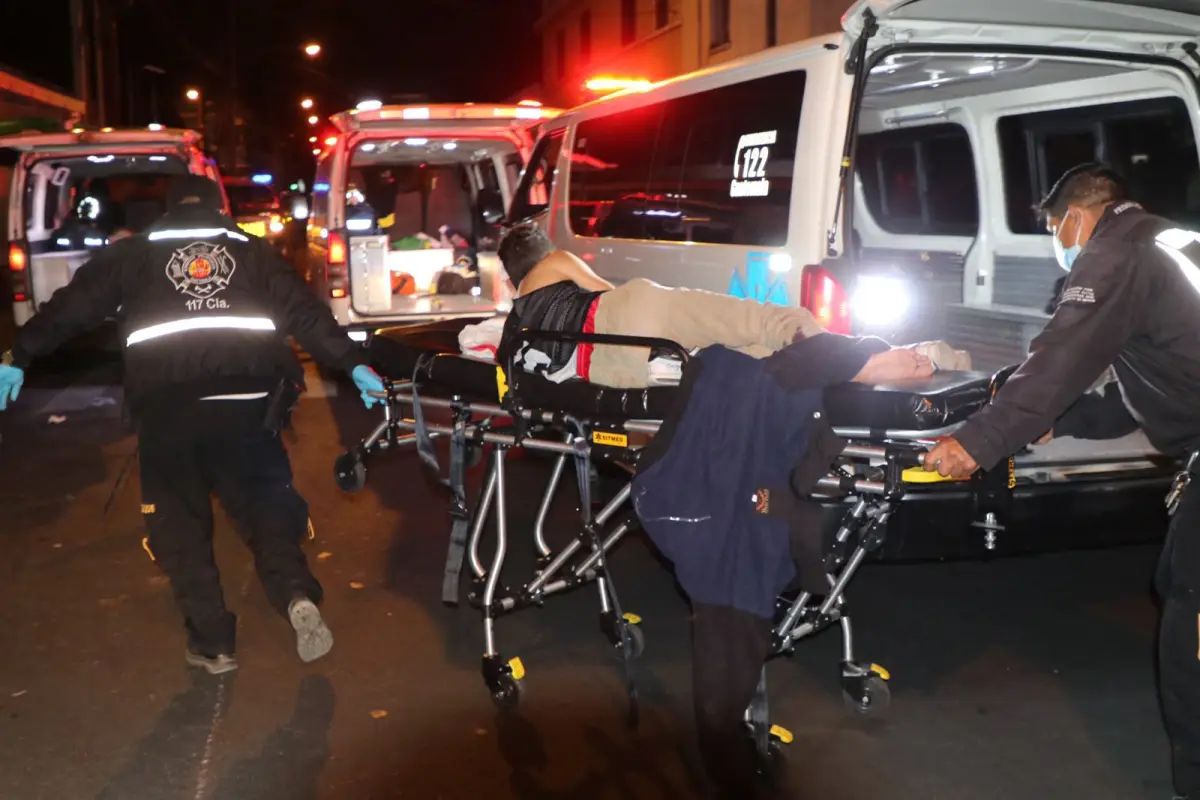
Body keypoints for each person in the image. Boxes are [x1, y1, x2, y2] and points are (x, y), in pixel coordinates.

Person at [0, 176, 386, 675]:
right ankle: (293, 594)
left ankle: (213, 643)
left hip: (169, 411)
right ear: (218, 208)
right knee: (265, 504)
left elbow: (67, 311)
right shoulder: (252, 252)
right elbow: (307, 315)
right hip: (250, 406)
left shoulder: (131, 255)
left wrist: (18, 355)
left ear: (166, 211)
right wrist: (354, 364)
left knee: (179, 524)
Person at [920, 162, 1200, 799]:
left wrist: (979, 439)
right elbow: (1158, 378)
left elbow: (1060, 356)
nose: (1059, 242)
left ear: (1076, 216)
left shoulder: (1115, 254)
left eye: (1055, 228)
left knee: (1192, 629)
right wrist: (1060, 423)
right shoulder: (1172, 242)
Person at [494, 225, 969, 388]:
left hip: (611, 370)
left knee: (753, 361)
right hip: (625, 317)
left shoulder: (517, 321)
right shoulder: (554, 261)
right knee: (771, 323)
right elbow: (603, 291)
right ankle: (869, 361)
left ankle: (857, 363)